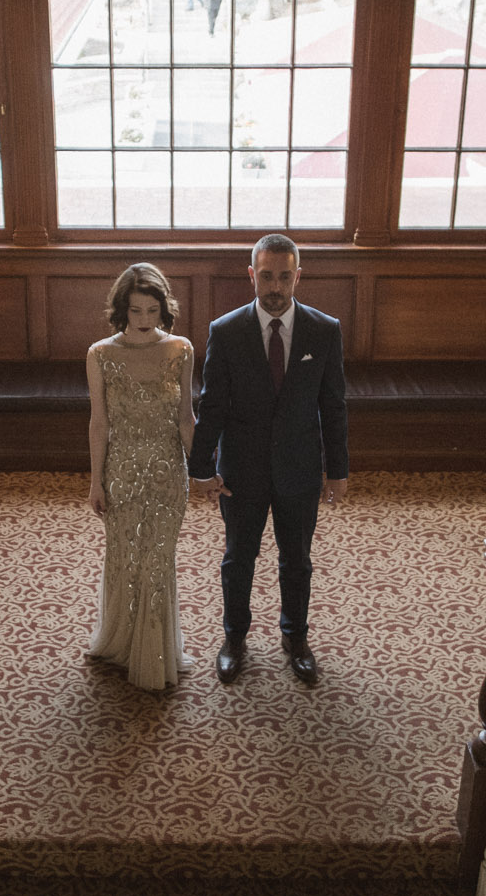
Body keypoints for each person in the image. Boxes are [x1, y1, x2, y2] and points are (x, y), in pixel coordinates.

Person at [190, 234, 348, 686]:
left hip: (299, 468)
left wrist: (336, 470)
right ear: (251, 275)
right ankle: (234, 638)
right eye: (266, 276)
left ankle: (296, 638)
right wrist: (201, 469)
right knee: (239, 557)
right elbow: (212, 405)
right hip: (242, 469)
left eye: (284, 276)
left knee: (296, 559)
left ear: (298, 276)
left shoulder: (324, 330)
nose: (275, 286)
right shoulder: (226, 331)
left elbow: (333, 404)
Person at [87, 263, 198, 691]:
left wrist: (204, 471)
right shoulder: (100, 354)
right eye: (136, 311)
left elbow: (186, 419)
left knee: (157, 561)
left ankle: (154, 652)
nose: (146, 320)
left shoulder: (181, 350)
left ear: (163, 308)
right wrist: (96, 481)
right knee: (124, 557)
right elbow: (99, 423)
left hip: (170, 474)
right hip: (122, 473)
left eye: (153, 310)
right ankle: (120, 641)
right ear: (122, 309)